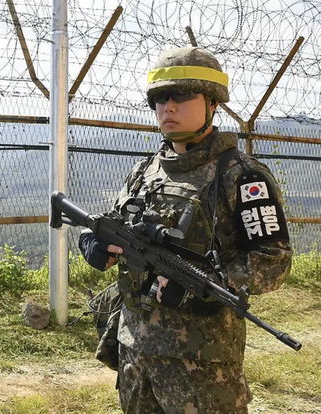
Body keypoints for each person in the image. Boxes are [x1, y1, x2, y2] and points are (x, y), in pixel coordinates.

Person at [79, 47, 293, 414]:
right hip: (135, 354)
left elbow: (272, 261)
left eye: (180, 95)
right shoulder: (145, 171)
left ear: (212, 103)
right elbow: (109, 226)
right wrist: (91, 243)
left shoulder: (241, 176)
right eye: (160, 99)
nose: (168, 108)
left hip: (202, 366)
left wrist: (203, 285)